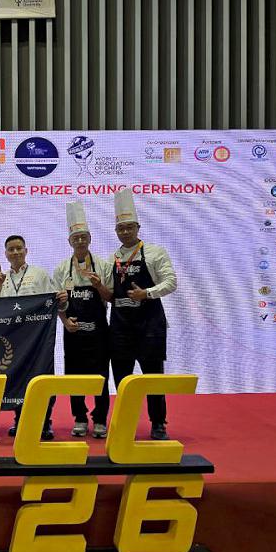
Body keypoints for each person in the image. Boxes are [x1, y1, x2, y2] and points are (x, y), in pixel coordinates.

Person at [102, 189, 177, 441]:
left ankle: (158, 423)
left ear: (138, 227)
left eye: (129, 227)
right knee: (122, 379)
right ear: (116, 231)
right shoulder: (112, 258)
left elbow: (171, 282)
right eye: (120, 228)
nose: (125, 232)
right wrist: (99, 288)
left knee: (153, 378)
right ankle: (124, 424)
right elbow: (110, 294)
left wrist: (146, 293)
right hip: (120, 327)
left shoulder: (155, 252)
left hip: (149, 326)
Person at [52, 202, 112, 439]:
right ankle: (79, 417)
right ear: (70, 242)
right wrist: (65, 321)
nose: (79, 241)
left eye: (83, 237)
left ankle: (100, 419)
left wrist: (99, 286)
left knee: (101, 377)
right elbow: (57, 304)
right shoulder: (61, 269)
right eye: (75, 238)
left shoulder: (103, 265)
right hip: (73, 332)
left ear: (90, 239)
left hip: (99, 332)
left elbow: (111, 297)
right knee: (74, 377)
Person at [0, 235, 60, 440]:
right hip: (13, 338)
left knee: (42, 376)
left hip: (38, 337)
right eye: (11, 249)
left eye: (19, 248)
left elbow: (54, 301)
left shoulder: (39, 274)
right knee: (17, 378)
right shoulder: (2, 278)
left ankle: (45, 422)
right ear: (6, 254)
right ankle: (20, 420)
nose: (15, 252)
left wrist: (62, 300)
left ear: (26, 251)